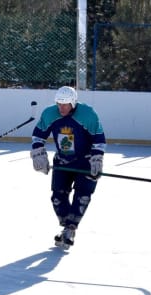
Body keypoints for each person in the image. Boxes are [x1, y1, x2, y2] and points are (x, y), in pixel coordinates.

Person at [30, 86, 106, 249]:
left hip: (85, 162)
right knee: (57, 198)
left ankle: (70, 229)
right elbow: (38, 135)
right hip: (63, 162)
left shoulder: (87, 114)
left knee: (82, 196)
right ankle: (67, 226)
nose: (61, 108)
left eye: (65, 105)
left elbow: (99, 139)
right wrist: (38, 152)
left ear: (73, 103)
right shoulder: (50, 113)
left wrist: (97, 158)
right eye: (59, 104)